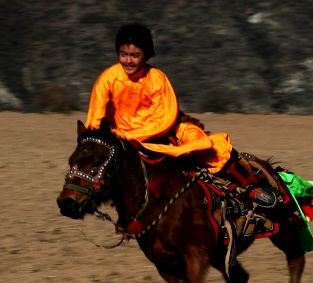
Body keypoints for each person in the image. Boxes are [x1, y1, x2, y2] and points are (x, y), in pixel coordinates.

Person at [84, 23, 262, 192]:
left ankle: (249, 189)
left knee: (207, 150)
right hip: (119, 138)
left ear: (145, 55)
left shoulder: (156, 78)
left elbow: (165, 119)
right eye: (123, 54)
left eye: (134, 55)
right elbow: (95, 119)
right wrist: (106, 137)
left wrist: (132, 137)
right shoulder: (107, 79)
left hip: (159, 134)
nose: (128, 61)